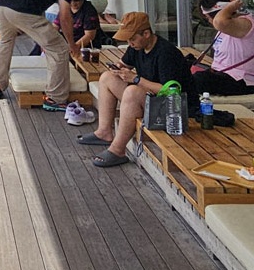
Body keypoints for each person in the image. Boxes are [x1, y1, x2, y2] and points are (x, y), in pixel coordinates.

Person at [77, 12, 196, 168]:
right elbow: (123, 64)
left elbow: (170, 90)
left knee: (132, 92)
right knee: (107, 77)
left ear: (146, 34)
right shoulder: (137, 47)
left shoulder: (166, 53)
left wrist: (135, 79)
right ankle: (104, 132)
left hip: (176, 109)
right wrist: (117, 70)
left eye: (132, 38)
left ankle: (117, 150)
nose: (130, 42)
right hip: (153, 100)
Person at [0, 0, 83, 111]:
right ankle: (56, 98)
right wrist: (72, 44)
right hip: (23, 11)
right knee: (59, 49)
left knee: (5, 42)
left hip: (3, 7)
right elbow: (65, 15)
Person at [193, 0, 254, 96]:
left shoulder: (245, 23)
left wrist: (232, 6)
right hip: (223, 75)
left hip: (243, 81)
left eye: (208, 18)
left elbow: (218, 21)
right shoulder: (228, 25)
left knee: (198, 80)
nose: (209, 22)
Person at [28, 0, 104, 55]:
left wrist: (74, 47)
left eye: (76, 1)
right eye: (71, 1)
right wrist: (46, 40)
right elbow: (55, 26)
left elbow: (89, 36)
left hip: (84, 43)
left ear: (82, 0)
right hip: (69, 38)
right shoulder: (66, 8)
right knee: (41, 44)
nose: (73, 3)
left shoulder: (89, 10)